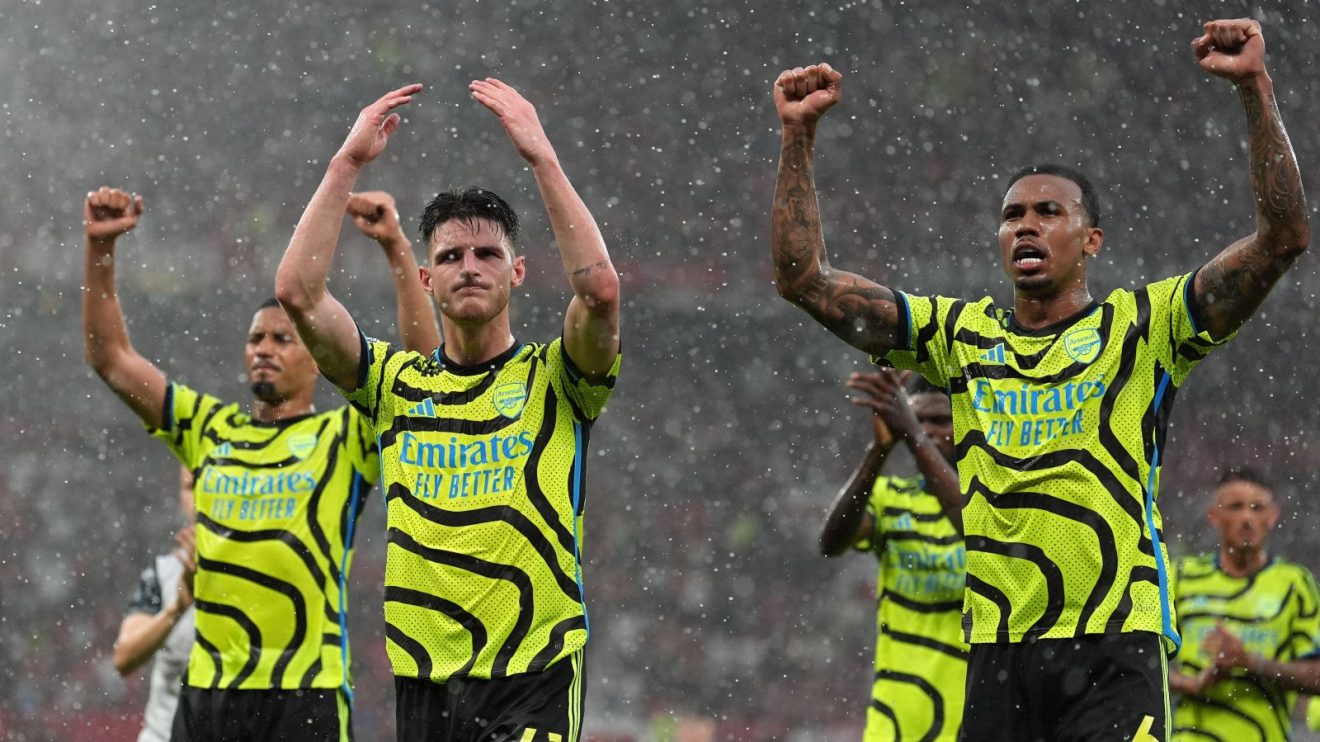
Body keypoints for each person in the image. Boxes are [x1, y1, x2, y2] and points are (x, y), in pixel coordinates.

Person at [769, 18, 1308, 741]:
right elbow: (804, 279)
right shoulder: (962, 337)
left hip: (1114, 640)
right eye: (1012, 215)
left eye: (1048, 212)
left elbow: (1283, 239)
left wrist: (1254, 88)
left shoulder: (1142, 325)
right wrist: (798, 139)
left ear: (1091, 241)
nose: (1026, 226)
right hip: (997, 650)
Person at [275, 79, 621, 742]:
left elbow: (600, 291)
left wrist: (541, 157)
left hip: (534, 673)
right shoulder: (392, 384)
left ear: (517, 273)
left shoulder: (557, 377)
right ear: (426, 278)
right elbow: (296, 291)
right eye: (451, 256)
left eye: (489, 253)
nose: (470, 266)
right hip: (426, 681)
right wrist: (344, 166)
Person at [82, 186, 438, 741]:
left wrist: (396, 248)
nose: (263, 348)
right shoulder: (208, 429)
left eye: (281, 338)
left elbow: (421, 374)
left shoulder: (343, 434)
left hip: (306, 694)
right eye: (254, 339)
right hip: (208, 696)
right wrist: (100, 252)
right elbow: (112, 359)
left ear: (317, 358)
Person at [819, 370, 965, 741]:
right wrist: (878, 451)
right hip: (897, 720)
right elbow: (831, 543)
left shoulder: (991, 505)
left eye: (939, 421)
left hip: (973, 714)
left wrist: (915, 439)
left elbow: (972, 527)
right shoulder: (891, 499)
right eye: (917, 420)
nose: (928, 430)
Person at [1169, 468, 1320, 741]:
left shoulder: (1294, 584)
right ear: (1214, 515)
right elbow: (1144, 660)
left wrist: (1251, 662)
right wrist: (1187, 683)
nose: (1247, 518)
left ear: (1273, 517)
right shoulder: (1182, 577)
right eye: (1236, 507)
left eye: (1257, 507)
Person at [114, 466, 197, 742]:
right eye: (189, 486)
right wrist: (176, 609)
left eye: (207, 482)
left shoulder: (265, 571)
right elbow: (124, 658)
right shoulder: (162, 574)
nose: (198, 496)